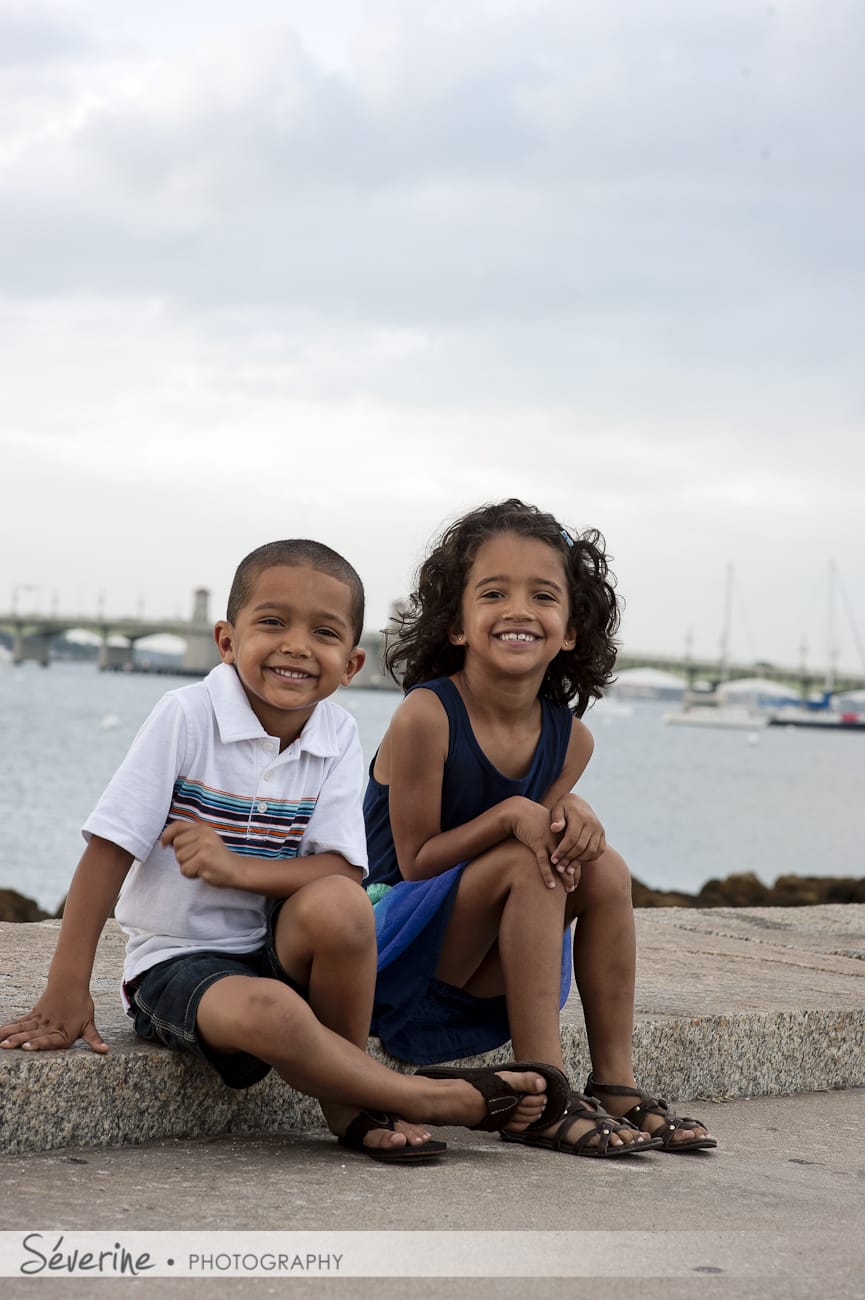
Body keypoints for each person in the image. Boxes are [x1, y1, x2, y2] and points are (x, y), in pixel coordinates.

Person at [0, 539, 573, 1163]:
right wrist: (66, 986)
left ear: (352, 664)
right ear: (226, 640)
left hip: (278, 949)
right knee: (274, 1009)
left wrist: (234, 866)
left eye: (323, 632)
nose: (297, 646)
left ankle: (349, 1100)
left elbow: (339, 867)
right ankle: (427, 1099)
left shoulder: (338, 733)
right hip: (178, 963)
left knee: (342, 903)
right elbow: (110, 847)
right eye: (272, 622)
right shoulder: (186, 717)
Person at [364, 501, 717, 1156]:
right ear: (457, 625)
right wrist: (509, 815)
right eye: (493, 593)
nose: (518, 609)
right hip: (389, 951)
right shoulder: (426, 716)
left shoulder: (571, 740)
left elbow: (545, 838)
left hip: (486, 961)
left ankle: (613, 1081)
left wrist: (571, 813)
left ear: (570, 630)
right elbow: (413, 863)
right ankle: (543, 1090)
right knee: (532, 860)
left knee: (602, 864)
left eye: (542, 595)